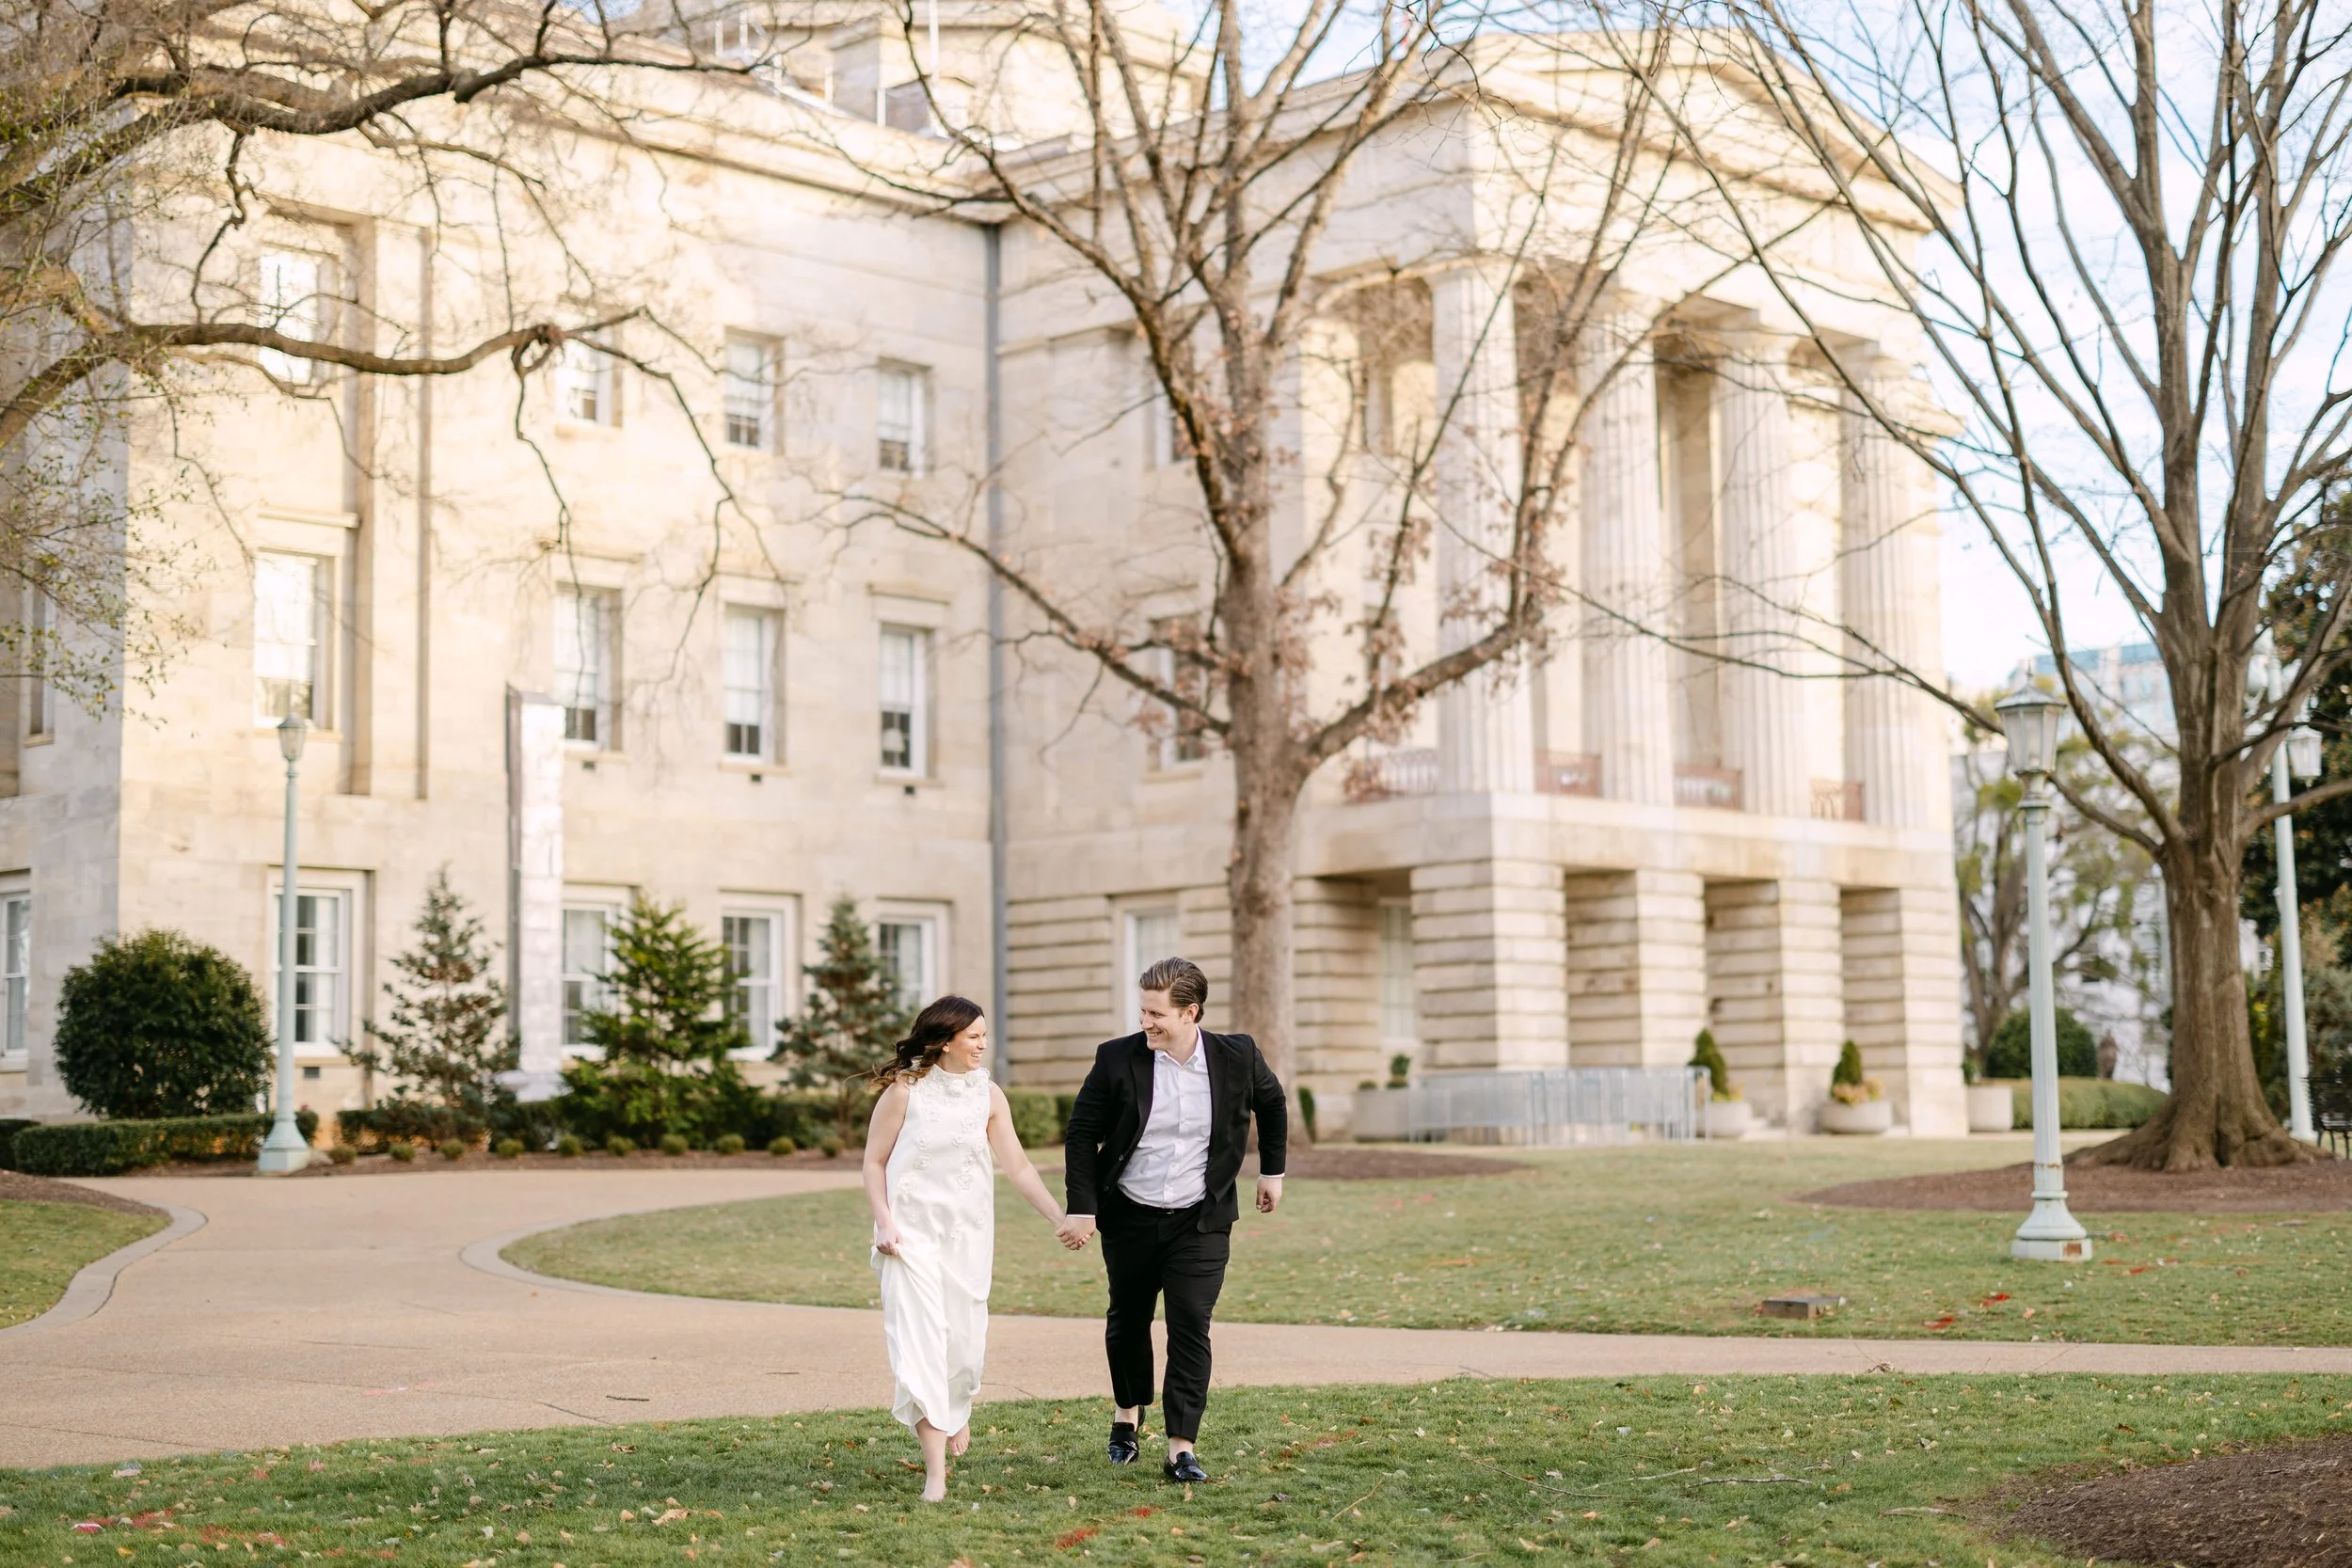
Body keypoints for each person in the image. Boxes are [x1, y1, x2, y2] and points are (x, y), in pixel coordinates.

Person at [1056, 957, 1288, 1483]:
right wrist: (1083, 1205)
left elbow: (1272, 1106)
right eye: (1142, 1010)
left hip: (1200, 1220)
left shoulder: (1237, 1055)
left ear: (1191, 1012)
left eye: (1156, 1013)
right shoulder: (1117, 1059)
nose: (1146, 1022)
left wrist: (1271, 1171)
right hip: (1130, 1214)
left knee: (1190, 1325)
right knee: (1128, 1320)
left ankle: (1181, 1446)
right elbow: (1081, 1131)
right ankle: (1127, 1414)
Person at [866, 995, 1083, 1502]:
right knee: (921, 1347)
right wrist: (885, 1224)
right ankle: (935, 1474)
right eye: (974, 1036)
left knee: (963, 1349)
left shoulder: (989, 1096)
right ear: (945, 1041)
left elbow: (1020, 1168)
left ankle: (955, 1408)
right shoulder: (905, 1092)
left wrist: (1060, 1219)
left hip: (966, 1239)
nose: (984, 1044)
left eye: (986, 1035)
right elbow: (874, 1162)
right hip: (908, 1239)